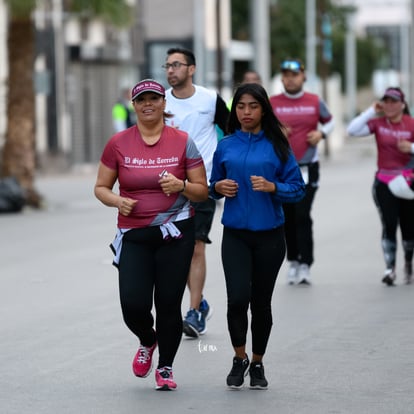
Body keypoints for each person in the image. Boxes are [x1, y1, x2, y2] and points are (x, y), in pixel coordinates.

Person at [94, 79, 208, 390]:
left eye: (154, 99)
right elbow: (101, 188)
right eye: (141, 99)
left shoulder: (183, 141)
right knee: (133, 303)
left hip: (175, 233)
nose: (148, 104)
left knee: (169, 303)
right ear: (134, 105)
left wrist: (181, 186)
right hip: (134, 234)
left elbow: (202, 191)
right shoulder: (118, 143)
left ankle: (166, 368)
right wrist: (118, 200)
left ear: (163, 104)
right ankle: (147, 339)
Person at [209, 83, 305, 389]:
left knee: (260, 303)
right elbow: (212, 184)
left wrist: (274, 187)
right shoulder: (225, 145)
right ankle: (239, 358)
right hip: (235, 235)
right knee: (237, 299)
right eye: (240, 106)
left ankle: (258, 361)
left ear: (263, 108)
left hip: (270, 237)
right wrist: (217, 188)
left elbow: (298, 188)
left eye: (252, 106)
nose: (246, 112)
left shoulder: (278, 146)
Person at [163, 47, 230, 338]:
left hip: (202, 183)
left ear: (191, 69)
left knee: (196, 246)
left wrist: (227, 168)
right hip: (167, 184)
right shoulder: (159, 101)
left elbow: (232, 132)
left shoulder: (210, 99)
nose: (170, 70)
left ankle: (193, 312)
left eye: (176, 65)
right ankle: (200, 302)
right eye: (167, 65)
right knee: (178, 250)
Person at [269, 58, 334, 285]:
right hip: (281, 168)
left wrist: (321, 134)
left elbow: (330, 121)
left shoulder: (314, 101)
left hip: (307, 166)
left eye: (294, 75)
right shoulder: (272, 102)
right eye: (285, 75)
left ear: (303, 77)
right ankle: (294, 261)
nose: (289, 79)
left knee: (302, 214)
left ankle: (306, 263)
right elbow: (262, 127)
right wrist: (276, 131)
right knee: (287, 217)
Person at [347, 87, 414, 285]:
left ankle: (408, 263)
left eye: (394, 101)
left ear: (402, 104)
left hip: (409, 183)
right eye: (386, 101)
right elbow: (352, 130)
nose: (390, 105)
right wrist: (370, 110)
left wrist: (410, 147)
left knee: (409, 228)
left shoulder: (411, 124)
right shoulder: (378, 123)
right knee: (389, 225)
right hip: (384, 183)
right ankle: (390, 268)